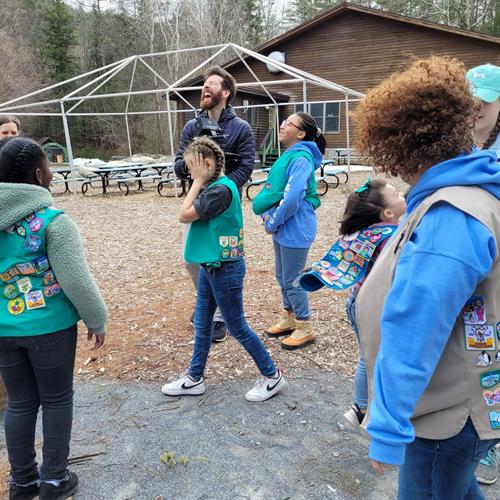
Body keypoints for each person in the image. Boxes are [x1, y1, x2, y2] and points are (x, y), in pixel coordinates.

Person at [350, 56, 500, 499]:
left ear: (399, 147)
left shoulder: (451, 214)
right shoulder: (470, 191)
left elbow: (416, 324)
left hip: (444, 415)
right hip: (462, 399)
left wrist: (388, 425)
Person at [0, 137, 107, 500]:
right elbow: (76, 280)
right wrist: (96, 319)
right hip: (50, 328)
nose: (50, 172)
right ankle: (54, 479)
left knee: (19, 403)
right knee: (57, 399)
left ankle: (22, 482)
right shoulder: (53, 223)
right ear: (37, 174)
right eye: (47, 166)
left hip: (3, 330)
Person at [162, 137, 286, 402]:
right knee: (202, 322)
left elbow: (184, 215)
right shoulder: (217, 187)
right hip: (212, 265)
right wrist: (199, 180)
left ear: (207, 165)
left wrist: (197, 182)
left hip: (225, 269)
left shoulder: (220, 191)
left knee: (236, 325)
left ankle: (272, 375)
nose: (189, 173)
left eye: (192, 167)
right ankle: (194, 378)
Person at [300, 178, 406, 429]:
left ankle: (361, 407)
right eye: (396, 193)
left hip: (356, 302)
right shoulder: (389, 236)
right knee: (373, 358)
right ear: (388, 213)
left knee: (366, 356)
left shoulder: (366, 231)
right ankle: (364, 409)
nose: (402, 194)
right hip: (373, 307)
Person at [174, 66, 256, 343]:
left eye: (211, 83)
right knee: (191, 259)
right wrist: (193, 169)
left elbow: (246, 166)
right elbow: (178, 163)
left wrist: (222, 188)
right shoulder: (191, 127)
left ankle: (219, 316)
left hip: (224, 205)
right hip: (196, 200)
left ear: (226, 93)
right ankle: (207, 301)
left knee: (222, 258)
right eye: (204, 84)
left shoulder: (240, 128)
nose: (205, 87)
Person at [252, 112, 324, 350]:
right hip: (285, 228)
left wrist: (272, 222)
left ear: (301, 134)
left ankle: (304, 326)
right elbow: (276, 191)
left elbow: (292, 197)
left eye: (288, 123)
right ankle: (289, 316)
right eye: (284, 122)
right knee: (282, 275)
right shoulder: (291, 155)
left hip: (295, 228)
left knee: (293, 279)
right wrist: (269, 216)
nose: (282, 126)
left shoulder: (301, 158)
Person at [467, 63, 500, 486]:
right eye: (471, 101)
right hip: (473, 261)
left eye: (486, 102)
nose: (477, 109)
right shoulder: (460, 144)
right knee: (479, 347)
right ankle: (481, 433)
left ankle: (489, 442)